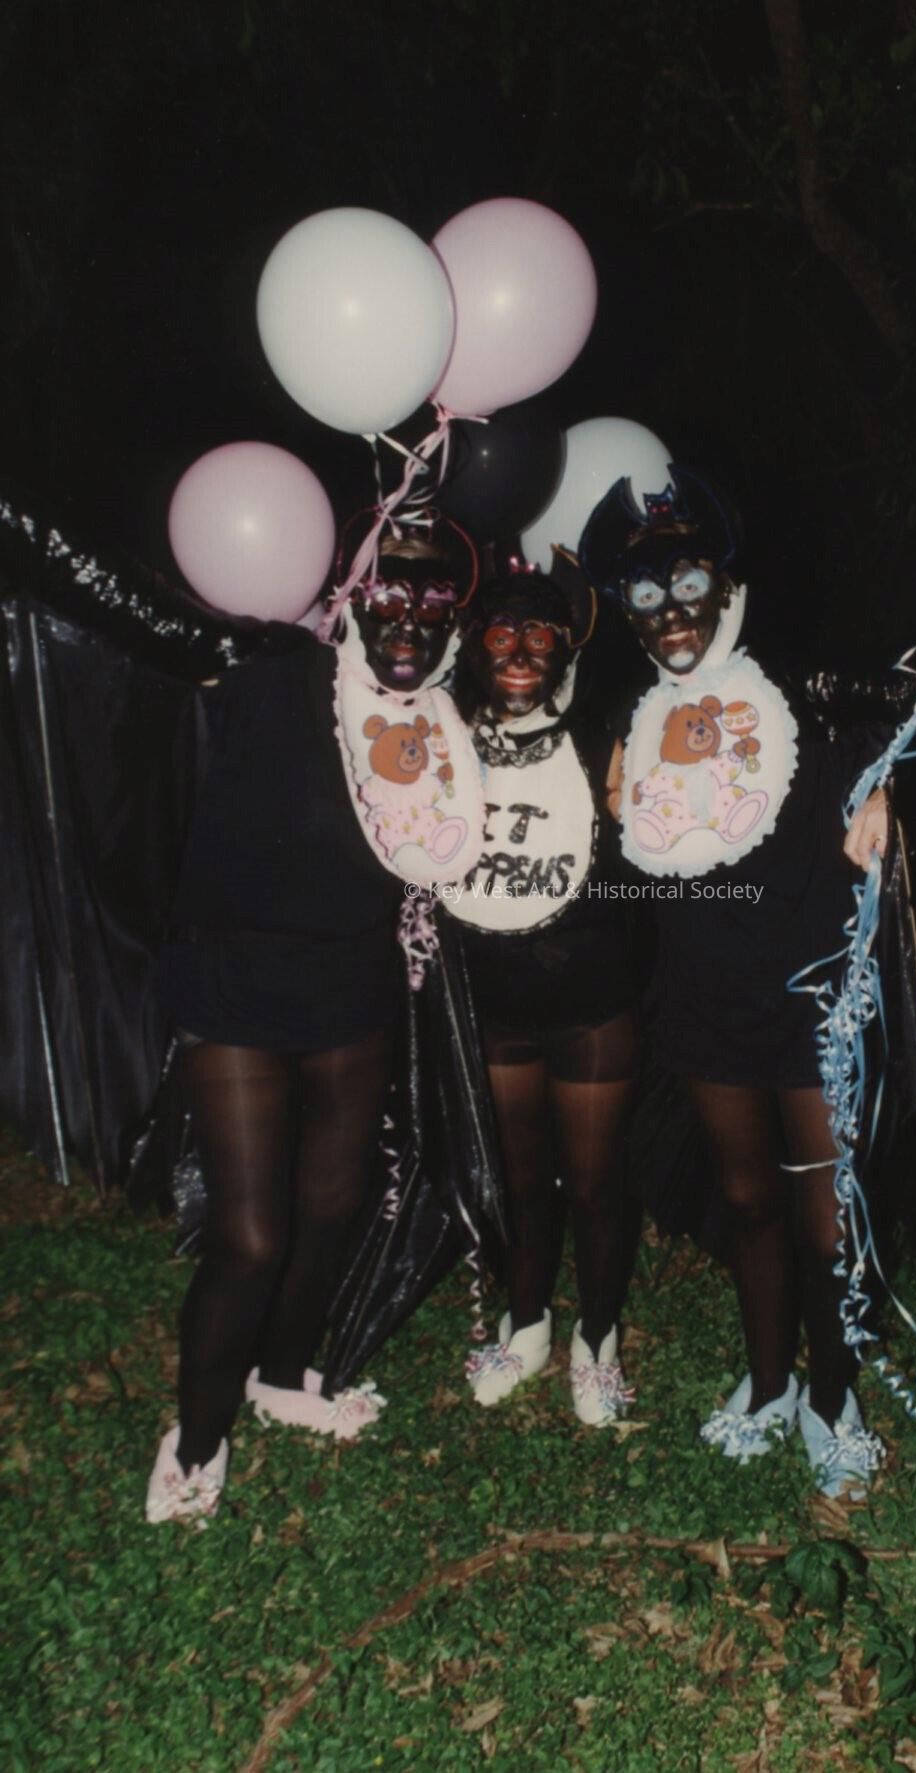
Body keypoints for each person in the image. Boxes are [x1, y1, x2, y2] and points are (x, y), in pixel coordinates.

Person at [144, 510, 485, 1522]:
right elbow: (163, 638)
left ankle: (284, 1376)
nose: (410, 618)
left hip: (350, 980)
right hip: (237, 978)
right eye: (391, 593)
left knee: (335, 1203)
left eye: (434, 600)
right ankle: (195, 1442)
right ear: (353, 596)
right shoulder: (281, 669)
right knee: (252, 1238)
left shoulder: (443, 717)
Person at [580, 469, 898, 1499]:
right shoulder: (631, 716)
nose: (671, 612)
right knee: (749, 1199)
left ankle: (831, 1396)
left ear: (725, 587)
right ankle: (768, 1382)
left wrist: (890, 782)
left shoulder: (798, 686)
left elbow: (909, 698)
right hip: (708, 999)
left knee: (827, 1217)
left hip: (810, 998)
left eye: (688, 585)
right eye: (646, 596)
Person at [443, 554, 639, 1427]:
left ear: (564, 647)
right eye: (500, 635)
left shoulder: (603, 735)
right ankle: (526, 1322)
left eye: (537, 635)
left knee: (592, 1181)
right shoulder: (444, 739)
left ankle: (598, 1337)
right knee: (521, 1180)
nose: (519, 652)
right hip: (496, 1002)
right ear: (474, 648)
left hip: (590, 998)